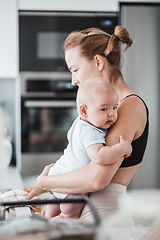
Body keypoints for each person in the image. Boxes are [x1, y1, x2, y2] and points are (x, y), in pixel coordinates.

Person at [24, 25, 149, 224]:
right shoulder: (100, 110)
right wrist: (47, 182)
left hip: (102, 214)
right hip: (85, 208)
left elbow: (96, 178)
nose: (74, 80)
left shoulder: (127, 106)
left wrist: (46, 182)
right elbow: (80, 157)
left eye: (75, 70)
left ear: (98, 62)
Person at [41, 78, 132, 219]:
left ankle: (45, 223)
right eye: (104, 108)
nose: (111, 114)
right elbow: (100, 156)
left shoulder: (79, 122)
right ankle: (54, 224)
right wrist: (123, 148)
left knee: (49, 214)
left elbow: (70, 135)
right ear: (84, 110)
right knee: (67, 217)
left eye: (114, 107)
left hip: (57, 176)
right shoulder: (91, 132)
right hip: (73, 187)